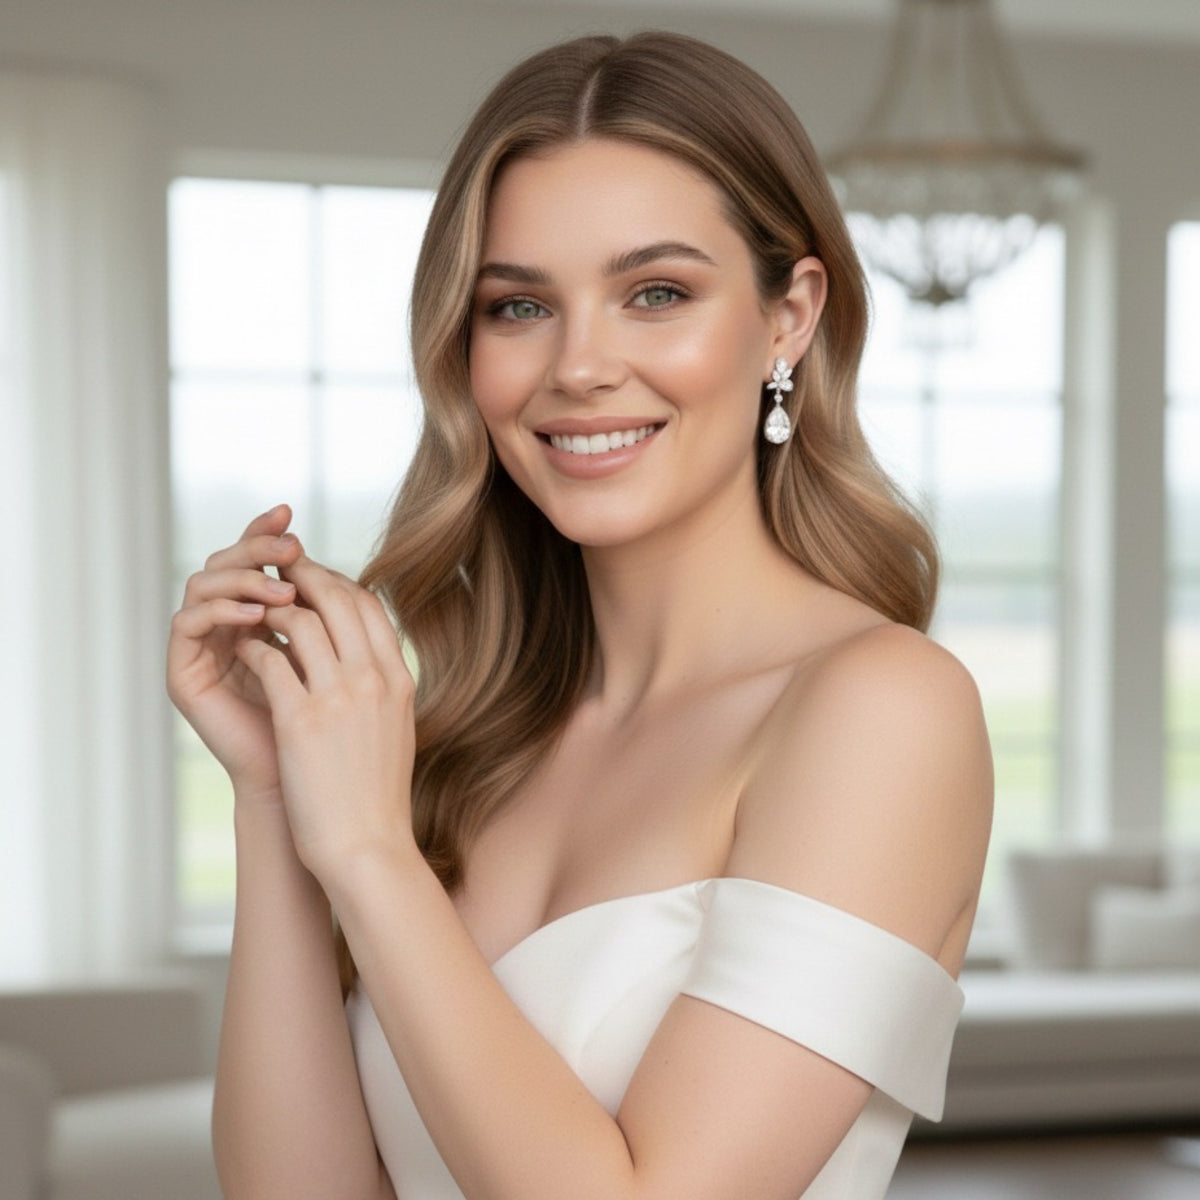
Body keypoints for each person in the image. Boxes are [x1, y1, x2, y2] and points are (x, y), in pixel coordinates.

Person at [167, 30, 992, 1200]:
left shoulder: (883, 708)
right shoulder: (475, 737)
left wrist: (366, 853)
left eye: (656, 293)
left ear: (788, 317)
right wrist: (273, 794)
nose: (580, 366)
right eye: (518, 308)